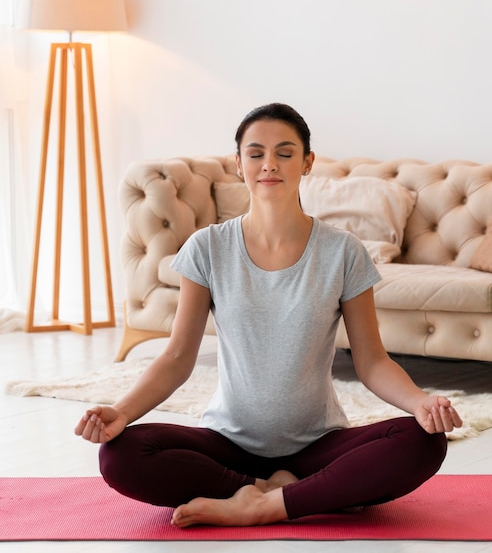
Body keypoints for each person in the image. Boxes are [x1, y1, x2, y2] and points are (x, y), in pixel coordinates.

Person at [75, 103, 463, 528]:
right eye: (255, 153)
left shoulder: (343, 252)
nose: (269, 165)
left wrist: (421, 402)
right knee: (120, 454)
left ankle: (259, 504)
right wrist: (123, 412)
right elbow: (176, 357)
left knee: (422, 442)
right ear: (238, 164)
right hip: (228, 442)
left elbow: (371, 361)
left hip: (318, 443)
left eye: (284, 152)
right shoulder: (207, 248)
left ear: (307, 162)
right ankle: (286, 489)